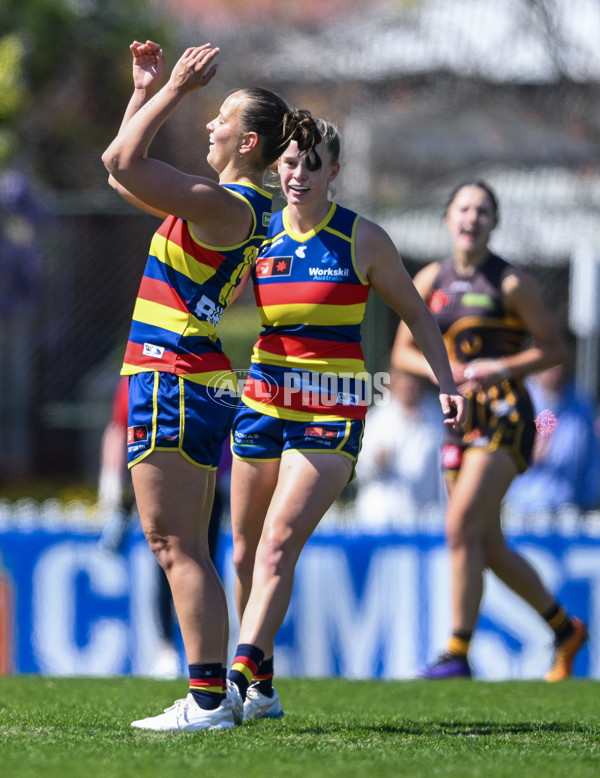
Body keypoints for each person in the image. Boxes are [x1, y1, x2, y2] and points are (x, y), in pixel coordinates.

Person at [102, 40, 321, 731]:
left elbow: (120, 163)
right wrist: (143, 93)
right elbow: (120, 175)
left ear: (247, 140)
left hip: (172, 378)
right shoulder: (222, 204)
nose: (208, 123)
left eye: (220, 116)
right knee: (185, 544)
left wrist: (172, 90)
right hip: (186, 379)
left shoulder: (230, 206)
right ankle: (224, 693)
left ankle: (205, 701)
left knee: (174, 545)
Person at [226, 120, 466, 720]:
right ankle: (262, 687)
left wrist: (448, 383)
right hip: (261, 404)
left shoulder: (363, 239)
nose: (298, 175)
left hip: (332, 411)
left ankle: (233, 676)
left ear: (334, 172)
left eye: (312, 164)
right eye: (288, 164)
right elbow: (214, 297)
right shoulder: (257, 233)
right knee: (242, 553)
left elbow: (417, 313)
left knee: (279, 543)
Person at [391, 180, 587, 681]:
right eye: (463, 209)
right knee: (486, 543)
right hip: (459, 423)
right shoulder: (432, 276)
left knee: (458, 527)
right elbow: (401, 354)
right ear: (447, 219)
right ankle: (565, 629)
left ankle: (457, 651)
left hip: (507, 419)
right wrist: (449, 368)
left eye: (482, 211)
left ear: (494, 223)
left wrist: (502, 367)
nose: (471, 218)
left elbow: (553, 349)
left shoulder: (512, 283)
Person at [354, 367, 446, 529]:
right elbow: (358, 471)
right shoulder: (377, 418)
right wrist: (376, 461)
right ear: (392, 381)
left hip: (426, 519)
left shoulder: (436, 415)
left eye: (415, 379)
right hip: (381, 518)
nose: (410, 385)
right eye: (405, 379)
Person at [505, 359, 600, 515]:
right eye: (550, 361)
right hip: (521, 511)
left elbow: (591, 462)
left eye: (560, 360)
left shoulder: (582, 405)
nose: (555, 367)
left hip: (569, 512)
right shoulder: (517, 401)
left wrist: (589, 504)